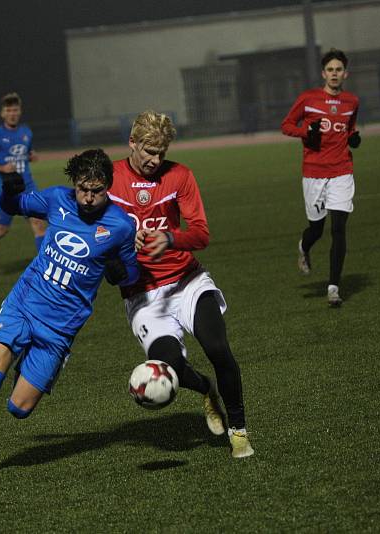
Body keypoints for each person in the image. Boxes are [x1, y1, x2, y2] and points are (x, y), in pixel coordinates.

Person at [0, 149, 139, 488]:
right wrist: (8, 189)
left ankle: (44, 364)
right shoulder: (55, 200)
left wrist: (119, 272)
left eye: (97, 190)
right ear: (73, 185)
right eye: (82, 189)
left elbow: (131, 277)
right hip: (22, 306)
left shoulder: (120, 226)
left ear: (108, 187)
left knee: (19, 408)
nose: (89, 198)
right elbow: (12, 207)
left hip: (59, 329)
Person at [108, 110, 254, 458]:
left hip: (187, 282)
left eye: (161, 153)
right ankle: (205, 389)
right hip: (142, 295)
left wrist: (169, 239)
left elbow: (201, 234)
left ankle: (238, 430)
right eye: (148, 152)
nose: (155, 160)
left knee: (218, 349)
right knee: (169, 367)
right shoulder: (110, 179)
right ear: (132, 142)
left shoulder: (180, 176)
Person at [281, 48, 360, 307]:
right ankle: (304, 247)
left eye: (339, 70)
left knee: (339, 229)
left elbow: (349, 129)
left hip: (342, 171)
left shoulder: (352, 102)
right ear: (323, 73)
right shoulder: (308, 99)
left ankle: (333, 288)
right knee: (317, 228)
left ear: (345, 74)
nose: (334, 74)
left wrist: (353, 138)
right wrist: (307, 132)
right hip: (314, 173)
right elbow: (287, 126)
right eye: (330, 70)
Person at [0, 92, 46, 264]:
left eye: (15, 110)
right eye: (8, 110)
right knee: (1, 229)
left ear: (20, 112)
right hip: (5, 188)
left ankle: (44, 265)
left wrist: (31, 155)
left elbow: (27, 151)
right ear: (2, 113)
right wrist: (2, 168)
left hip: (27, 185)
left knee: (38, 223)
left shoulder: (26, 132)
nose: (12, 114)